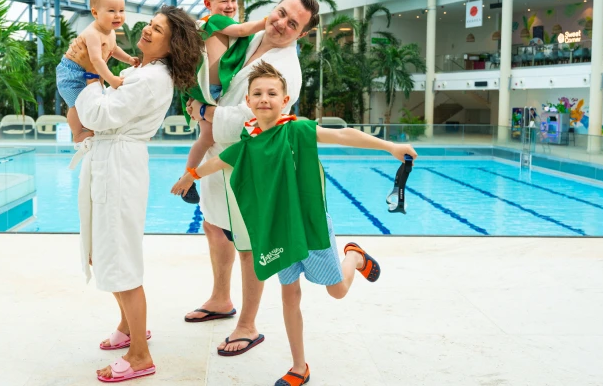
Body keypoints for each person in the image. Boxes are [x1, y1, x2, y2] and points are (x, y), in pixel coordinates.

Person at [172, 63, 418, 385]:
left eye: (272, 93)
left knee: (338, 291)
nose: (264, 98)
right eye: (257, 93)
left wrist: (390, 147)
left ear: (285, 99)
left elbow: (343, 135)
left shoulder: (298, 129)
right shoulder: (250, 143)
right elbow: (221, 160)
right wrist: (190, 175)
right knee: (290, 296)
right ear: (247, 100)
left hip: (311, 225)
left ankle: (354, 257)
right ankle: (299, 367)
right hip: (280, 233)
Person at [175, 0, 318, 357]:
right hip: (216, 152)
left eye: (293, 24)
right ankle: (221, 299)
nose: (282, 23)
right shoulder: (249, 36)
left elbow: (257, 119)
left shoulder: (287, 69)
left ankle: (248, 325)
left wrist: (206, 114)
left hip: (250, 159)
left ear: (300, 34)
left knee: (248, 243)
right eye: (282, 13)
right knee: (212, 225)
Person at [69, 6, 202, 383]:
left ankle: (140, 355)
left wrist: (90, 74)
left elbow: (98, 117)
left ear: (171, 44)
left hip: (118, 164)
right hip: (111, 161)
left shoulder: (150, 78)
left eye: (157, 29)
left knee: (120, 256)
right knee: (105, 249)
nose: (146, 30)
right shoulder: (140, 71)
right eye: (149, 24)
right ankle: (129, 328)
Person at [179, 0, 266, 204]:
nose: (230, 6)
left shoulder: (222, 24)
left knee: (206, 138)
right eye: (223, 1)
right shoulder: (215, 21)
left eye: (233, 1)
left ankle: (188, 178)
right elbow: (242, 31)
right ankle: (188, 177)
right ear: (209, 4)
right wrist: (266, 21)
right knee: (207, 138)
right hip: (207, 91)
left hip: (211, 93)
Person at [57, 0, 139, 144]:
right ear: (95, 13)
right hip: (70, 74)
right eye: (111, 11)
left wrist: (129, 59)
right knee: (75, 104)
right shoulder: (93, 33)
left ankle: (91, 127)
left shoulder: (110, 31)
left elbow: (113, 49)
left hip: (85, 72)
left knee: (92, 101)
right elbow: (96, 60)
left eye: (121, 10)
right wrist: (112, 79)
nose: (118, 16)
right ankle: (77, 133)